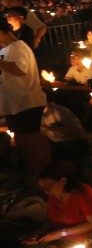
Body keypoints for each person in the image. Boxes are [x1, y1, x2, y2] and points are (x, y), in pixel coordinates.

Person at [9, 160, 92, 248]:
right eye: (43, 189)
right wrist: (39, 235)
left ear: (63, 181)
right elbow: (52, 222)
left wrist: (61, 233)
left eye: (48, 187)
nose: (46, 192)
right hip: (60, 239)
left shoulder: (83, 193)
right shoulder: (54, 197)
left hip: (83, 241)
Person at [0, 19, 51, 180]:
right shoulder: (7, 49)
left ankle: (39, 175)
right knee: (29, 140)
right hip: (15, 103)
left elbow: (19, 69)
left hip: (25, 102)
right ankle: (44, 173)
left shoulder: (18, 47)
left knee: (30, 141)